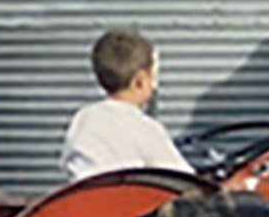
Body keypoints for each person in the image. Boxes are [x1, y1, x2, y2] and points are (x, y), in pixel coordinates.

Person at [60, 29, 194, 181]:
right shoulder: (146, 128)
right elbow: (183, 180)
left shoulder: (83, 119)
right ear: (140, 81)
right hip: (130, 203)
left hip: (85, 202)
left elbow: (69, 163)